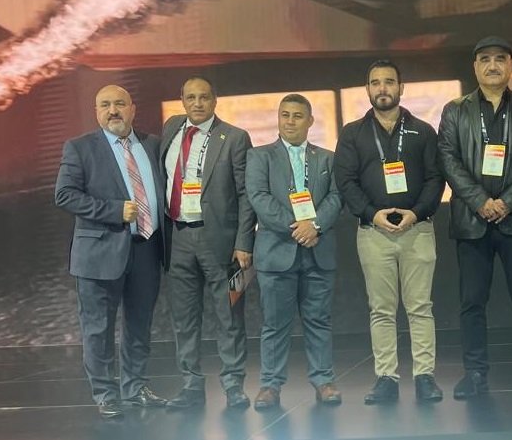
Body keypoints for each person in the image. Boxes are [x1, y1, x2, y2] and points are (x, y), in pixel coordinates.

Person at [438, 36, 512, 399]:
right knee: (472, 302)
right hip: (471, 222)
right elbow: (448, 159)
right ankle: (475, 373)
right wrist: (480, 201)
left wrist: (507, 201)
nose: (493, 65)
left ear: (510, 65)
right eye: (485, 59)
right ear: (475, 67)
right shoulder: (455, 110)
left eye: (500, 59)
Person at [334, 59, 445, 404]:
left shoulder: (423, 130)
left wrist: (416, 213)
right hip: (373, 232)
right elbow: (345, 181)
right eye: (376, 82)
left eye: (389, 82)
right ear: (367, 89)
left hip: (418, 229)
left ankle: (425, 376)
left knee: (420, 307)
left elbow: (435, 178)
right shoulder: (352, 133)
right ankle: (386, 378)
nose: (382, 88)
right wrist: (371, 213)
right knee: (381, 310)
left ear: (401, 87)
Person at [55, 85, 169, 418]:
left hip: (147, 248)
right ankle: (105, 394)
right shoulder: (80, 148)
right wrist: (113, 210)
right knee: (98, 328)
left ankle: (135, 387)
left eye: (119, 103)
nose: (113, 110)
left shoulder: (152, 145)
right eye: (105, 105)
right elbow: (65, 195)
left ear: (133, 109)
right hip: (99, 253)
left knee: (139, 324)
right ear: (96, 112)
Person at [161, 76, 256, 409]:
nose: (197, 103)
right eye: (191, 97)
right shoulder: (171, 128)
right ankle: (191, 386)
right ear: (182, 100)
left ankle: (233, 386)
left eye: (204, 97)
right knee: (184, 318)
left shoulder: (235, 137)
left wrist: (245, 242)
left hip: (223, 242)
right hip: (177, 238)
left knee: (230, 315)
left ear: (215, 100)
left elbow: (246, 195)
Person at [246, 94, 344, 409]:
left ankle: (324, 381)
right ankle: (270, 386)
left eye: (297, 116)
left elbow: (336, 197)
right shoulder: (259, 156)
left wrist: (314, 226)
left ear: (310, 121)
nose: (290, 121)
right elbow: (259, 198)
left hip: (318, 250)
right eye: (285, 115)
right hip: (277, 253)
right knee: (275, 324)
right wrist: (298, 228)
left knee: (319, 320)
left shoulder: (328, 158)